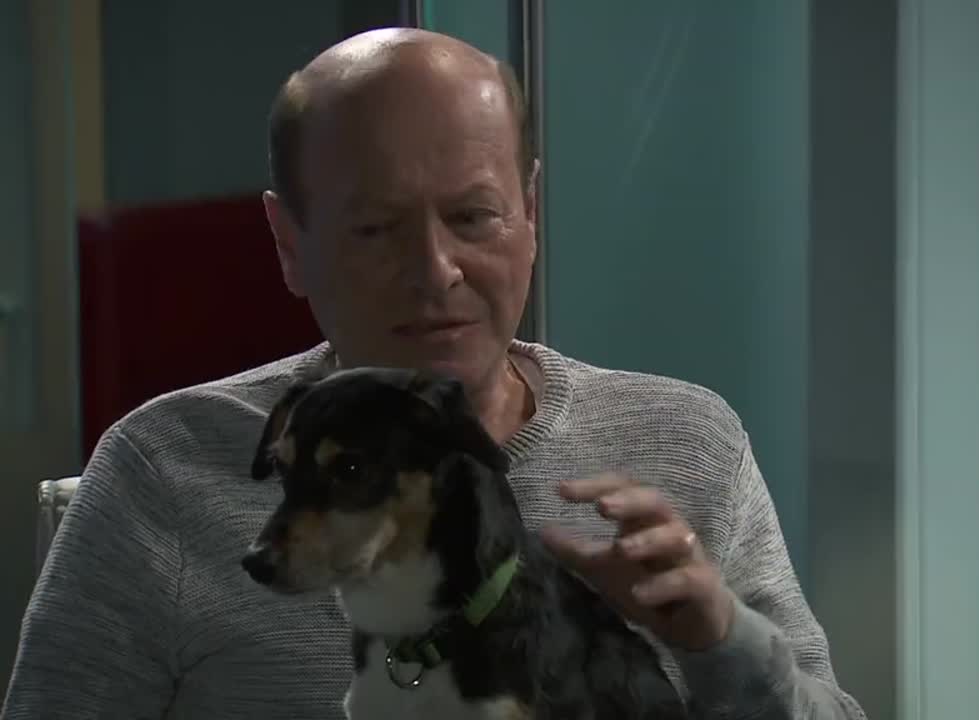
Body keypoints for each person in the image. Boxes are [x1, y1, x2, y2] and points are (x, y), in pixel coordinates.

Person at [1, 28, 865, 720]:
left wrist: (722, 642)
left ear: (530, 213)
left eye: (473, 217)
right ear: (289, 245)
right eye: (376, 229)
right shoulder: (163, 470)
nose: (436, 271)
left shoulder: (686, 442)